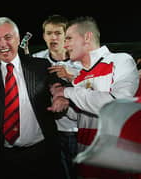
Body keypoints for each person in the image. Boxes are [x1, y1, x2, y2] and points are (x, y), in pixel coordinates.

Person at [0, 17, 68, 179]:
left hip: (42, 154)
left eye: (8, 37)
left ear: (18, 39)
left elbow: (56, 84)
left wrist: (60, 95)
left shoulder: (39, 65)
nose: (2, 44)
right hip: (1, 158)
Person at [48, 16, 139, 179]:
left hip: (117, 165)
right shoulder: (79, 75)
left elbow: (117, 105)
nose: (65, 44)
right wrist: (65, 104)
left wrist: (67, 92)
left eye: (69, 38)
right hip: (86, 160)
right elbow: (80, 117)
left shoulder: (120, 60)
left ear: (87, 37)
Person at [31, 14, 81, 179]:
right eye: (49, 33)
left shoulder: (81, 60)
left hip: (75, 130)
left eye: (58, 33)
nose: (53, 37)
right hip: (46, 131)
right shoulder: (36, 60)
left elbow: (95, 89)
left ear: (66, 35)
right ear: (44, 36)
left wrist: (70, 77)